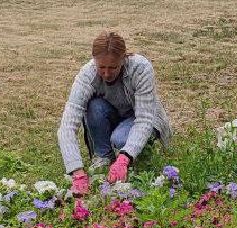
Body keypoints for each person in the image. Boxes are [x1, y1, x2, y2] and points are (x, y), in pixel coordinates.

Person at [58, 30, 173, 193]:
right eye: (101, 67)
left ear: (123, 58)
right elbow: (67, 126)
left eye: (113, 67)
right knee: (93, 106)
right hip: (114, 114)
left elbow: (145, 119)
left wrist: (125, 157)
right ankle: (103, 157)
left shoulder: (141, 69)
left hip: (141, 117)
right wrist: (76, 172)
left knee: (120, 140)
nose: (106, 73)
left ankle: (132, 157)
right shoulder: (86, 75)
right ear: (94, 61)